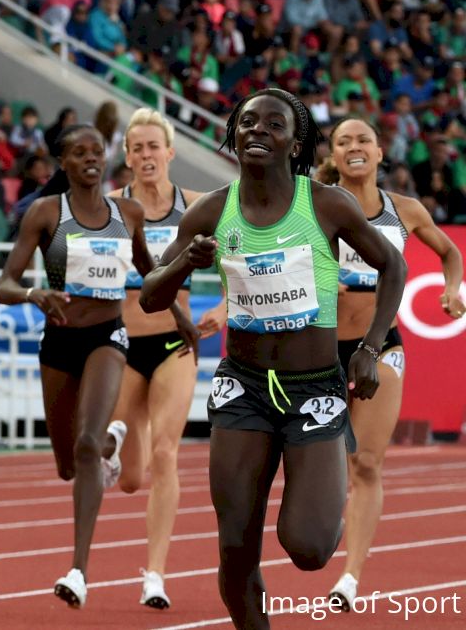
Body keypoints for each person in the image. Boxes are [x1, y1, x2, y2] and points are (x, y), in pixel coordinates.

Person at [140, 88, 406, 630]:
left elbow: (393, 266)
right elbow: (150, 294)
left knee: (308, 548)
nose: (257, 131)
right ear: (233, 135)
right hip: (244, 388)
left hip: (314, 386)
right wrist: (182, 265)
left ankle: (317, 482)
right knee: (235, 548)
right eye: (247, 122)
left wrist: (371, 348)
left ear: (296, 142)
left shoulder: (327, 204)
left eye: (273, 124)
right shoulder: (213, 208)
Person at [0, 124, 196, 609]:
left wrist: (179, 314)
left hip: (108, 336)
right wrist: (31, 294)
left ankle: (79, 570)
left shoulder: (127, 213)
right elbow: (5, 282)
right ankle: (112, 441)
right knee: (69, 464)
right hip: (59, 341)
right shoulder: (46, 213)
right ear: (62, 163)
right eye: (78, 152)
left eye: (96, 151)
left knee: (87, 446)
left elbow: (152, 276)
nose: (91, 158)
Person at [315, 116, 464, 609]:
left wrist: (450, 289)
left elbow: (449, 254)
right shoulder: (313, 206)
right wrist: (317, 276)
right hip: (318, 351)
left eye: (363, 140)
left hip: (381, 346)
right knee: (318, 462)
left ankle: (350, 578)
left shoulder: (406, 210)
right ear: (333, 154)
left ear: (381, 152)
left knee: (368, 462)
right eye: (343, 141)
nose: (354, 147)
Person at [106, 108, 203, 610]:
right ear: (127, 157)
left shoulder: (195, 208)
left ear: (170, 152)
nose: (146, 155)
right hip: (122, 346)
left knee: (168, 453)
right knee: (129, 480)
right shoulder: (109, 209)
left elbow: (240, 262)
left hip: (173, 344)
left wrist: (225, 311)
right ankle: (126, 439)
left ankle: (155, 575)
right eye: (137, 148)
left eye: (153, 147)